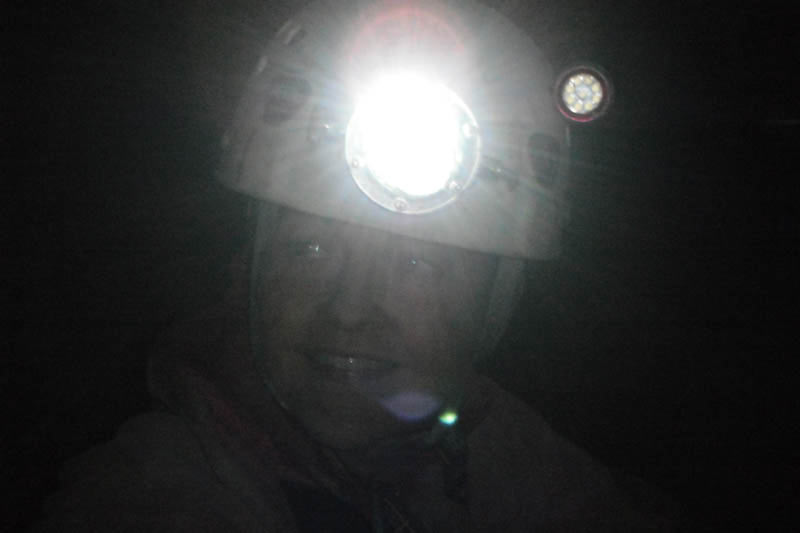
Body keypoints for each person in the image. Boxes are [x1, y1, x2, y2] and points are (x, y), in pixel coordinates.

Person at [34, 1, 683, 531]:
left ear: (497, 300)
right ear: (252, 266)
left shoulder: (500, 454)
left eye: (417, 263)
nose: (348, 309)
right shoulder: (154, 491)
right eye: (309, 250)